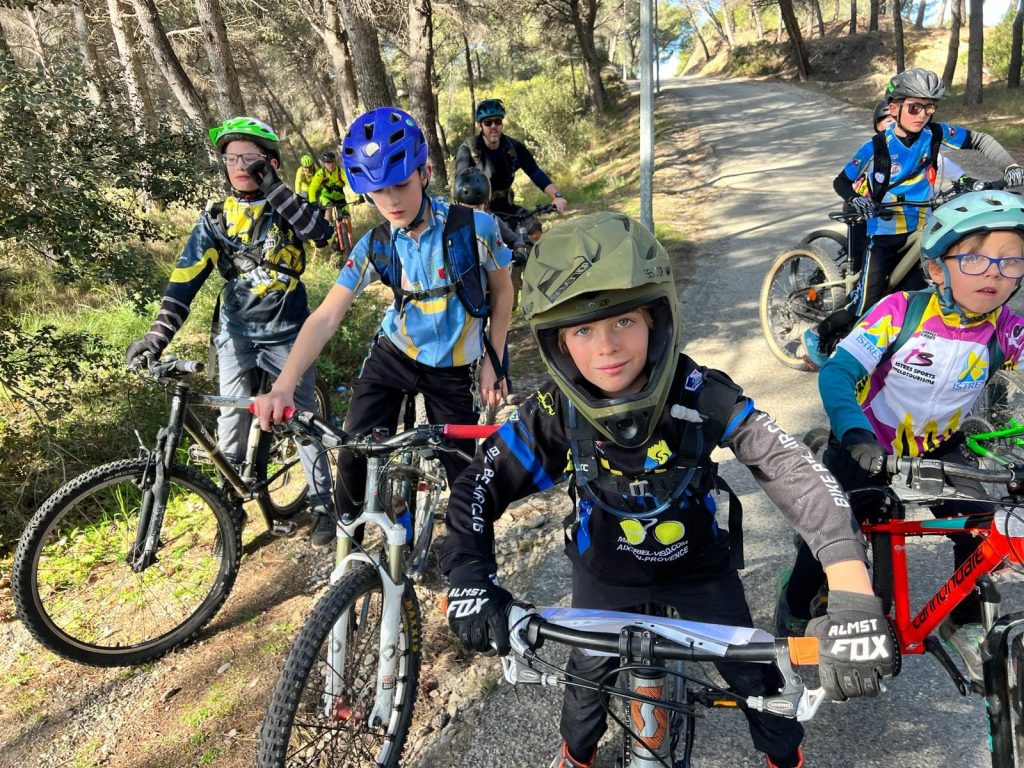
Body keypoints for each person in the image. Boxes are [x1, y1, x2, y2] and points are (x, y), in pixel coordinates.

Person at [440, 212, 895, 768]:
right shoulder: (554, 414)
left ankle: (786, 761)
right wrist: (469, 576)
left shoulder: (699, 392)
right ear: (558, 344)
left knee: (761, 686)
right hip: (605, 574)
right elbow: (475, 489)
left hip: (699, 571)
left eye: (623, 321)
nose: (606, 346)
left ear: (657, 319)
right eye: (582, 330)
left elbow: (792, 470)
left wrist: (852, 588)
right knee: (584, 693)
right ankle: (577, 756)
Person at [779, 189, 1024, 684]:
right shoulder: (899, 310)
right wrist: (852, 434)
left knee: (979, 524)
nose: (995, 273)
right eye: (975, 258)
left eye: (1011, 261)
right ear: (936, 270)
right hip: (866, 442)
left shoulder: (1008, 330)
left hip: (941, 445)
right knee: (831, 533)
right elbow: (838, 373)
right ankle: (795, 603)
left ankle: (967, 618)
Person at [252, 107, 514, 548]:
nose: (391, 201)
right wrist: (284, 384)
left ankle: (470, 570)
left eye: (401, 184)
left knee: (467, 480)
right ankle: (348, 545)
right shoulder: (374, 244)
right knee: (354, 452)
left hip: (454, 367)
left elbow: (503, 295)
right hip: (394, 355)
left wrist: (494, 358)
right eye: (377, 191)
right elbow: (326, 316)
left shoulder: (477, 228)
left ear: (425, 173)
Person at [125, 116, 337, 543]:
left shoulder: (290, 208)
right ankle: (230, 506)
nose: (239, 165)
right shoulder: (216, 219)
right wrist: (156, 336)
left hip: (289, 331)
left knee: (301, 418)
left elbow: (321, 233)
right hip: (236, 332)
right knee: (232, 421)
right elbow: (183, 282)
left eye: (251, 158)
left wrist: (274, 187)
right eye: (231, 158)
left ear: (271, 162)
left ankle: (322, 504)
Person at [802, 68, 1024, 369]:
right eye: (915, 107)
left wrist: (1009, 166)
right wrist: (858, 200)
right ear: (894, 108)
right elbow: (842, 181)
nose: (923, 115)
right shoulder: (877, 146)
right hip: (883, 230)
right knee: (866, 301)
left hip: (922, 224)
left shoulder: (934, 134)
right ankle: (819, 334)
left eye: (929, 107)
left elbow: (980, 140)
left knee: (919, 293)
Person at [454, 98, 568, 219]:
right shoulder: (469, 149)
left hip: (507, 208)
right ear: (480, 125)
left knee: (533, 229)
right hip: (480, 213)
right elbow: (461, 187)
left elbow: (535, 172)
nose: (493, 126)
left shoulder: (513, 147)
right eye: (488, 122)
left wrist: (557, 196)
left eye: (497, 121)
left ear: (502, 123)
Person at [307, 149, 350, 250]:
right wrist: (313, 202)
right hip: (326, 197)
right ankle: (328, 232)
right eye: (327, 163)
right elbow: (312, 188)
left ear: (335, 162)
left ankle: (349, 241)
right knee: (329, 209)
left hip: (340, 198)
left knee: (347, 217)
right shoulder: (320, 174)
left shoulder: (340, 171)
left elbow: (349, 182)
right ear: (324, 164)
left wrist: (358, 195)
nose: (330, 165)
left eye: (331, 162)